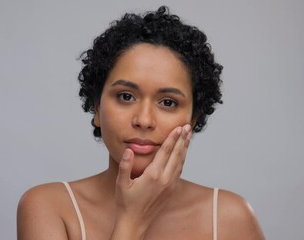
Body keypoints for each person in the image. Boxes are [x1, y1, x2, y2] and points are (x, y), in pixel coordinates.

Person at [17, 6, 264, 240]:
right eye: (126, 96)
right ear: (97, 107)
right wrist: (132, 219)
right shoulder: (49, 207)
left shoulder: (230, 217)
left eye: (168, 102)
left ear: (194, 117)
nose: (144, 120)